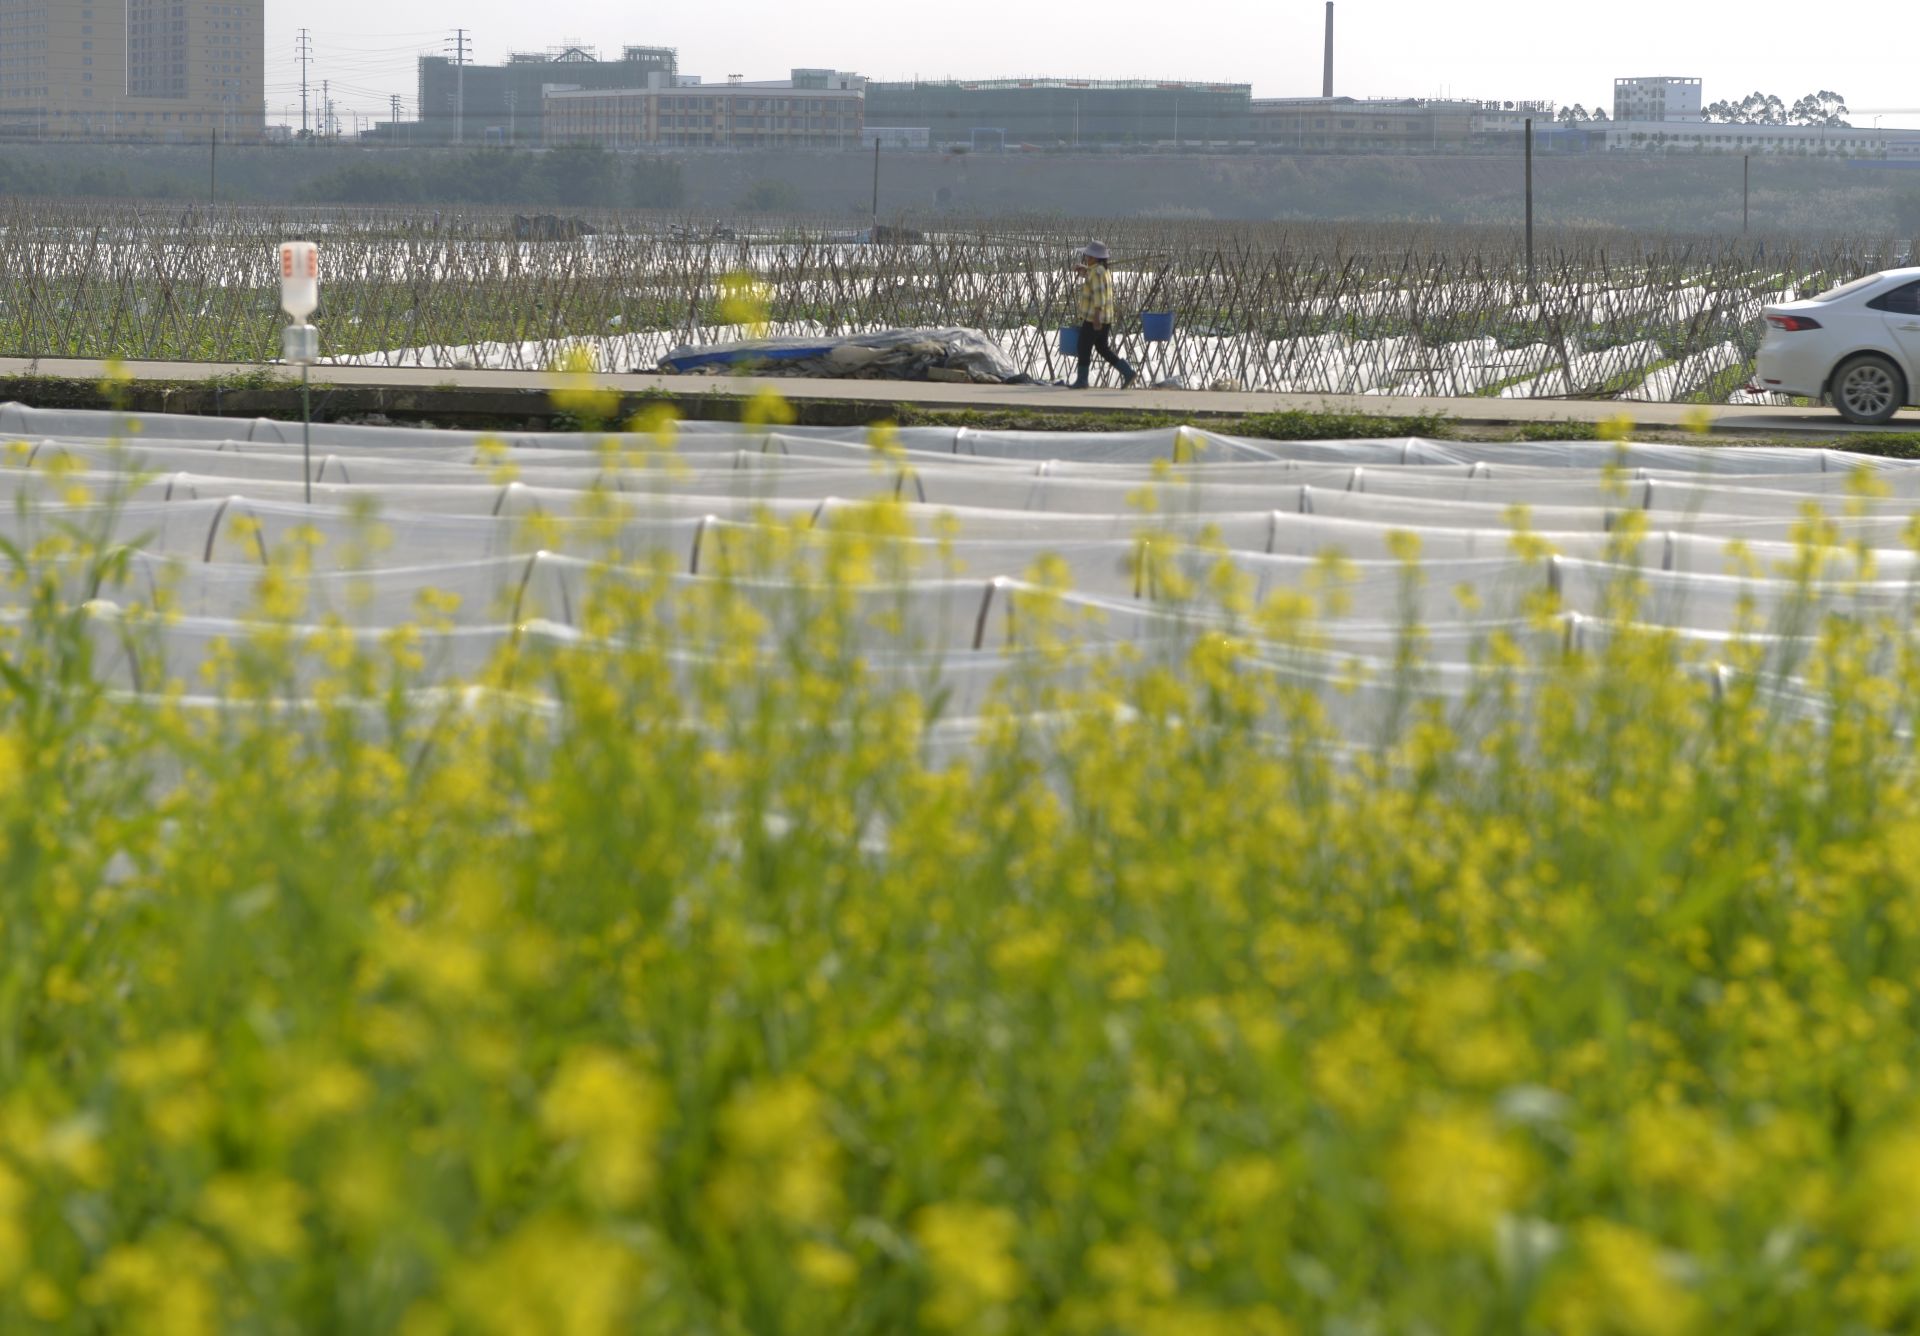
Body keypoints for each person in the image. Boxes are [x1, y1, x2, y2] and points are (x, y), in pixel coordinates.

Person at [1071, 242, 1137, 390]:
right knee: (1102, 349)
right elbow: (1091, 276)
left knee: (1083, 347)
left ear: (1095, 257)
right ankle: (1128, 372)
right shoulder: (1101, 270)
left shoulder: (1097, 272)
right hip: (1105, 317)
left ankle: (1082, 380)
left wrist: (1096, 317)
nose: (1086, 257)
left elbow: (1099, 295)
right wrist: (1083, 270)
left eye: (1088, 255)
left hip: (1094, 317)